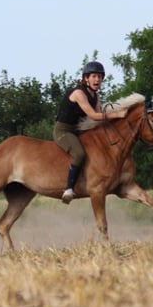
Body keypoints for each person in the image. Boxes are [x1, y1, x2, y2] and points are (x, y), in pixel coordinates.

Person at [53, 61, 127, 204]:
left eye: (100, 77)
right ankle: (68, 189)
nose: (97, 80)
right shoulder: (79, 93)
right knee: (80, 153)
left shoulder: (95, 96)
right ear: (86, 78)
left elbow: (99, 118)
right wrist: (117, 115)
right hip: (63, 131)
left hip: (78, 129)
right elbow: (93, 116)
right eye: (94, 76)